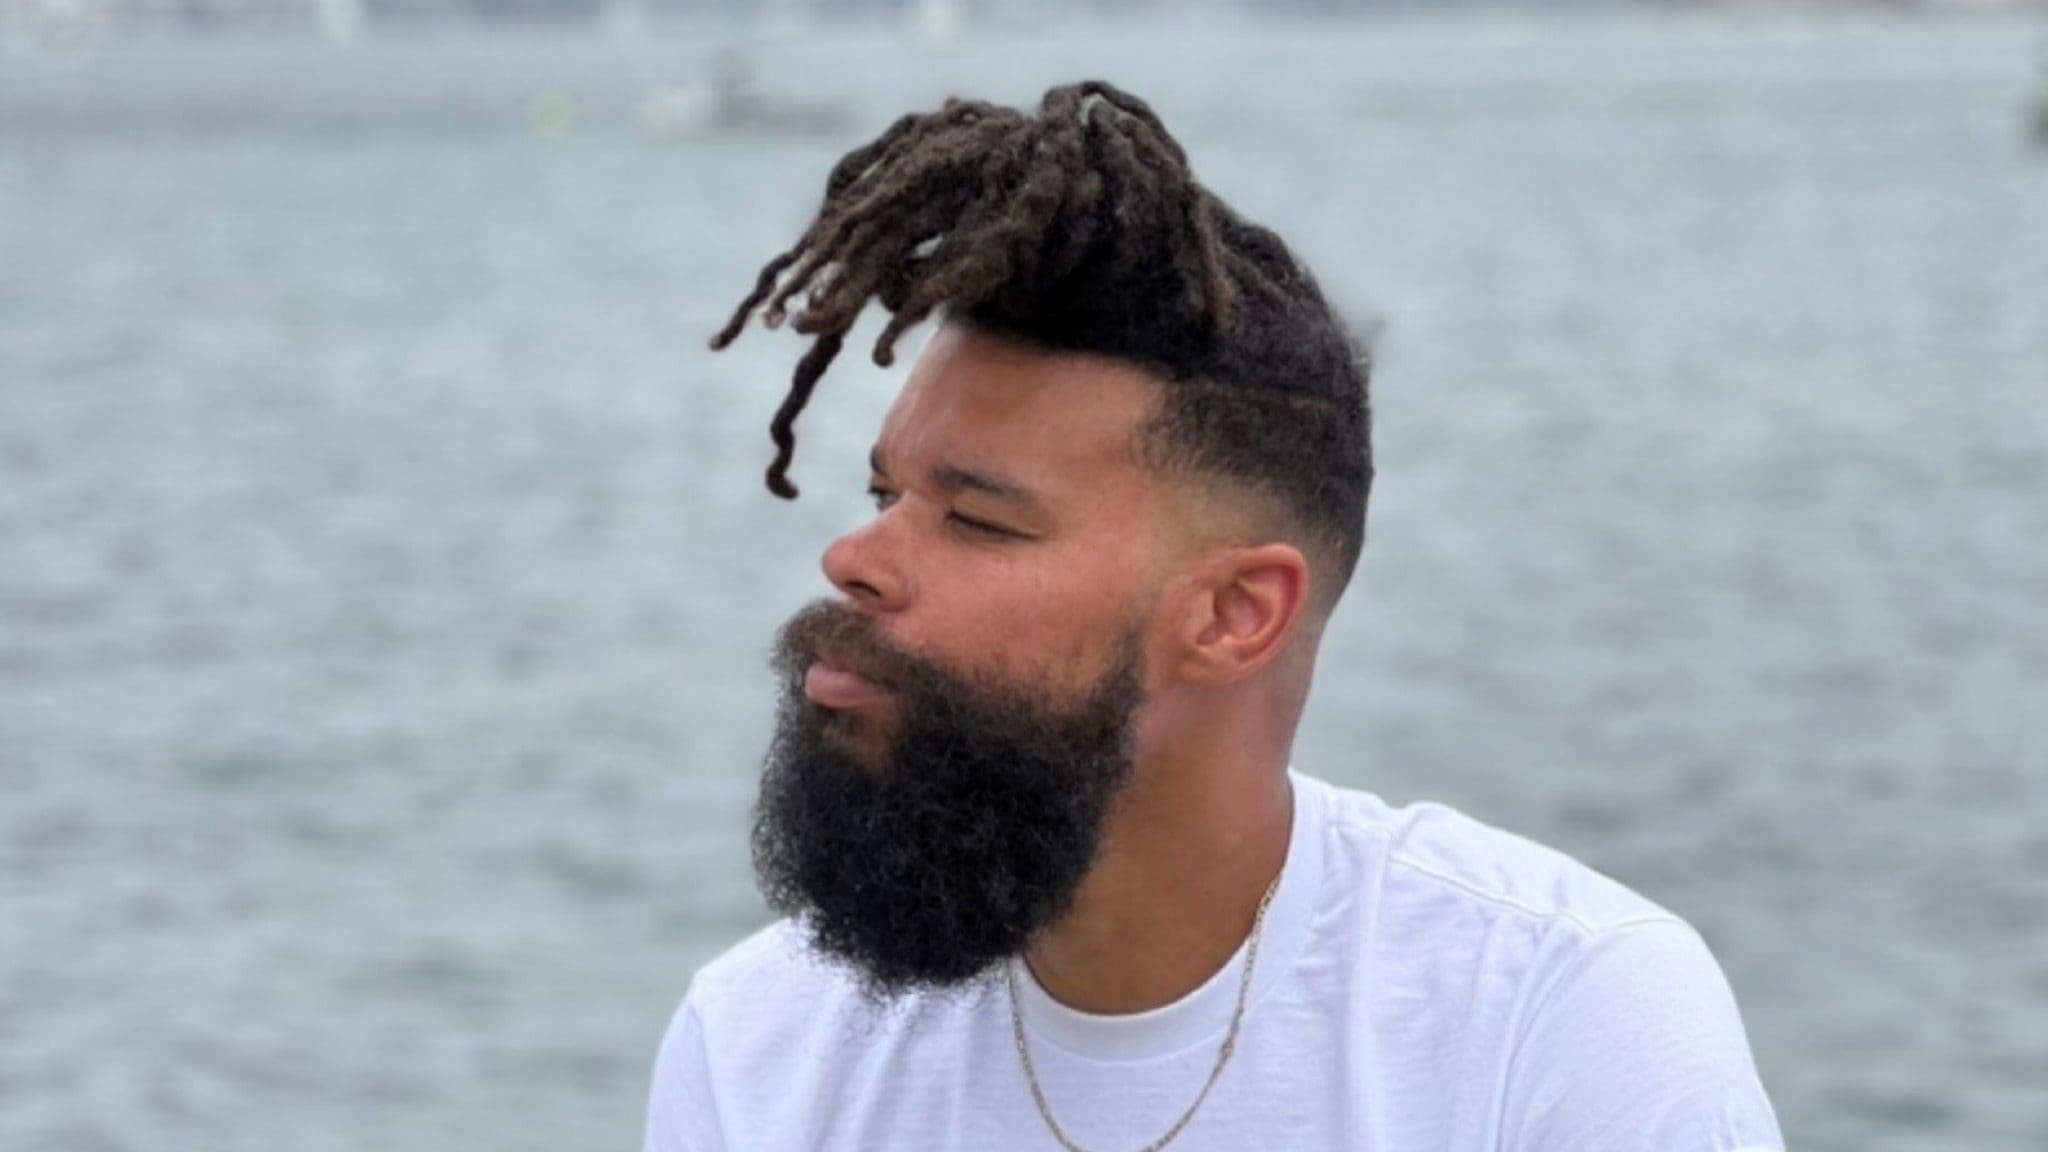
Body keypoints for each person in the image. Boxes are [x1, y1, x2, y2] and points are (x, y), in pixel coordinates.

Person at [644, 80, 1784, 1152]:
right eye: (883, 496)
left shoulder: (1560, 1019)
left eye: (977, 521)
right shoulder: (759, 1049)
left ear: (1234, 616)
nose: (853, 561)